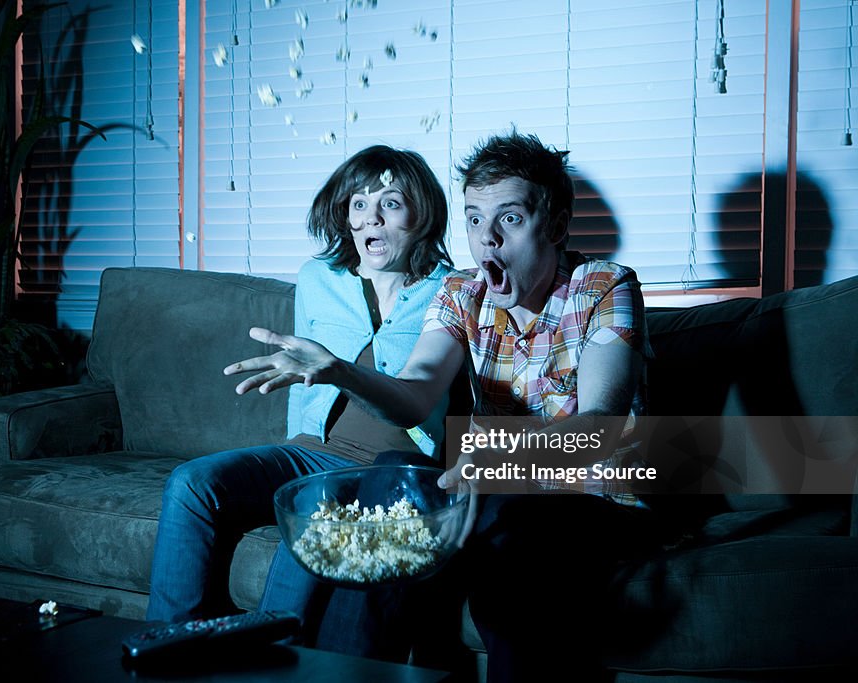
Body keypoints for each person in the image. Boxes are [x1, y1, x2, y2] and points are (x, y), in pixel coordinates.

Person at [225, 130, 662, 682]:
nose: (488, 242)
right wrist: (338, 369)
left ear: (554, 224)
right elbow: (414, 393)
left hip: (599, 504)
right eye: (475, 220)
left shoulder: (602, 286)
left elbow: (598, 428)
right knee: (390, 474)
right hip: (491, 491)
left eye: (509, 219)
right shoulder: (462, 294)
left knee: (504, 517)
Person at [146, 145, 456, 651]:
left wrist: (338, 369)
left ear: (422, 215)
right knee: (191, 484)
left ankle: (271, 660)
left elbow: (422, 392)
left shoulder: (452, 291)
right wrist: (298, 436)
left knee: (314, 507)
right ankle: (167, 650)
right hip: (310, 450)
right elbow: (300, 376)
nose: (370, 217)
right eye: (358, 204)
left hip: (390, 469)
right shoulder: (318, 278)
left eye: (391, 203)